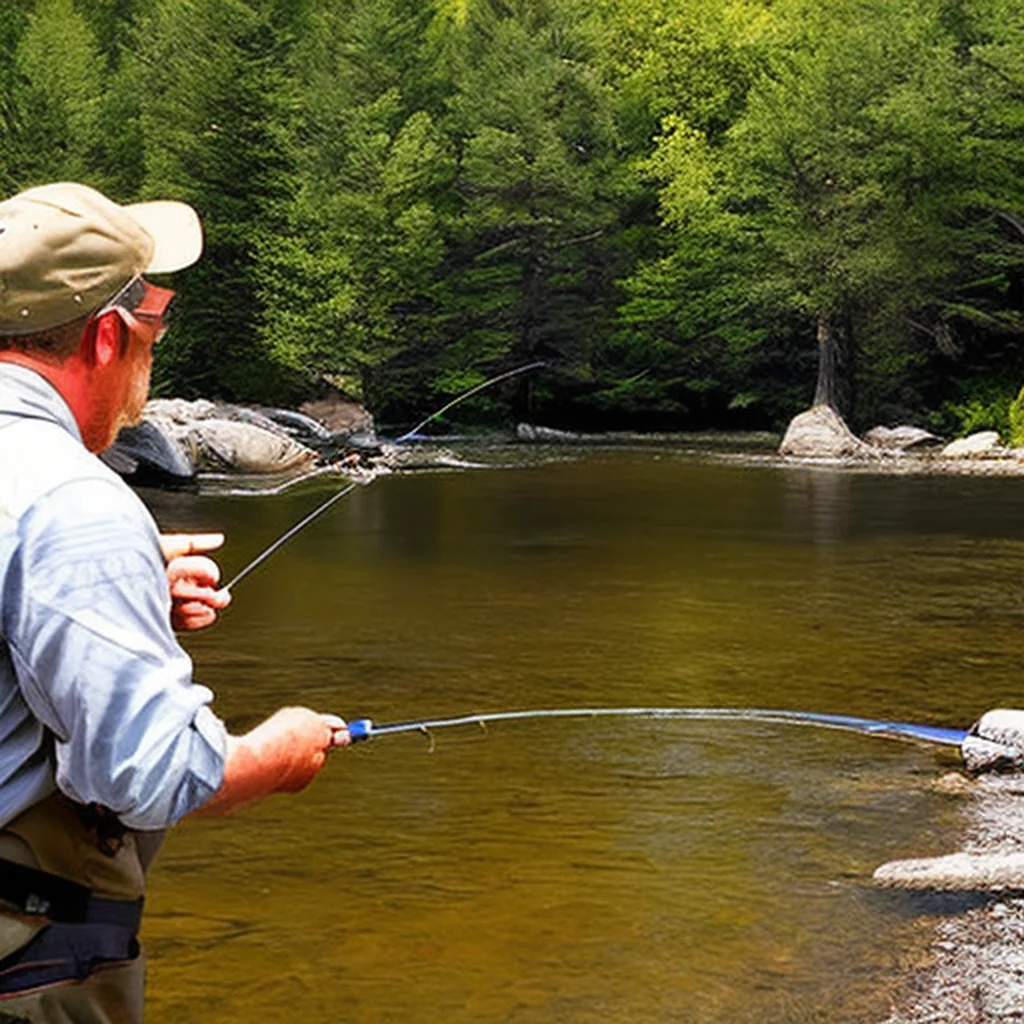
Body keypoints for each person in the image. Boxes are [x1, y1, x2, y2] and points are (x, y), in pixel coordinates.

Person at [0, 182, 349, 1022]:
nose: (155, 346)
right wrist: (274, 753)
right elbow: (147, 774)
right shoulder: (71, 502)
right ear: (108, 335)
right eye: (155, 320)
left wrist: (118, 595)